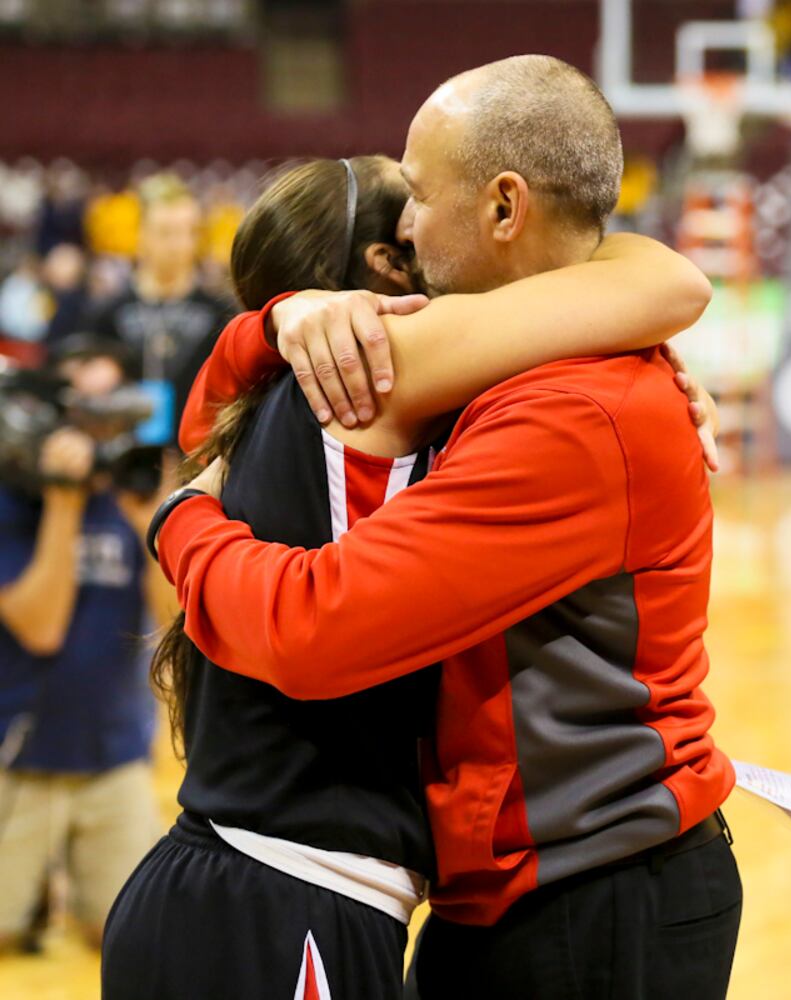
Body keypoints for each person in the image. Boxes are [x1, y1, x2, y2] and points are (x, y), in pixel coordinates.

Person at [157, 55, 741, 1000]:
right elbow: (660, 275)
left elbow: (314, 628)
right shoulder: (495, 365)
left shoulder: (573, 414)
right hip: (501, 883)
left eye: (421, 196)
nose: (408, 225)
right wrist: (277, 324)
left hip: (595, 889)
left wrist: (181, 521)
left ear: (505, 208)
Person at [0, 337, 175, 952]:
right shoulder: (12, 494)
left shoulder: (133, 490)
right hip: (18, 752)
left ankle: (64, 889)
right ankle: (39, 895)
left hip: (113, 755)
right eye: (81, 412)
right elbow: (40, 626)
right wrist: (63, 501)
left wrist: (152, 525)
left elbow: (173, 626)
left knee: (130, 935)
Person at [90, 173, 233, 444]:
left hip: (197, 464)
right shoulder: (108, 313)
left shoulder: (222, 315)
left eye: (188, 232)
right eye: (166, 232)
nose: (179, 245)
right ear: (141, 233)